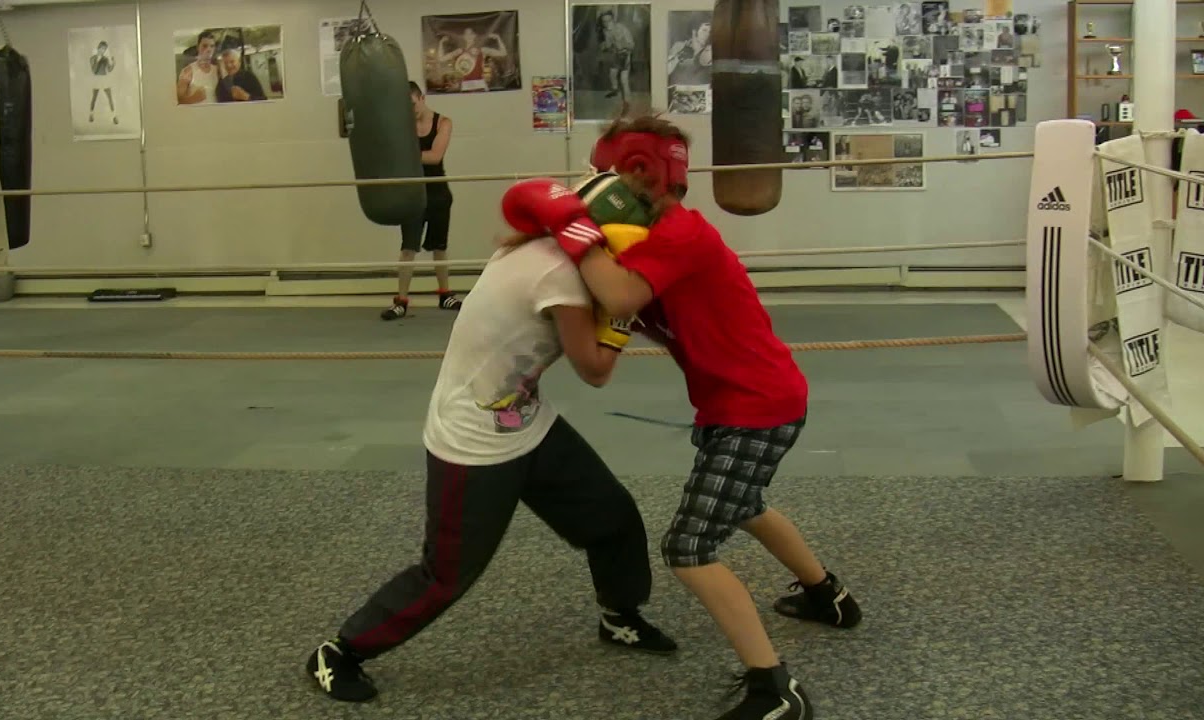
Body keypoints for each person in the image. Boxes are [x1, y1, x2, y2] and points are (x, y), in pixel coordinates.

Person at [497, 114, 862, 720]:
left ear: (637, 173)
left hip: (757, 407)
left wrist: (569, 223)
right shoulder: (642, 240)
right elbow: (600, 326)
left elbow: (619, 295)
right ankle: (830, 597)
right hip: (739, 402)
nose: (590, 186)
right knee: (745, 503)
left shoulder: (681, 234)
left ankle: (775, 690)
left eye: (599, 173)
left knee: (689, 546)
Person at [307, 199, 677, 703]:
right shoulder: (560, 278)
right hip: (473, 439)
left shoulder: (541, 248)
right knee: (446, 575)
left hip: (524, 420)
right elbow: (595, 369)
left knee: (613, 517)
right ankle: (339, 651)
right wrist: (622, 319)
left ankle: (619, 615)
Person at [382, 82, 463, 320]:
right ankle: (401, 301)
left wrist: (404, 156)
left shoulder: (443, 122)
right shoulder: (401, 127)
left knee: (440, 247)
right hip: (412, 193)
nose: (410, 110)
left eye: (412, 104)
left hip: (437, 192)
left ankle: (445, 294)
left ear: (422, 98)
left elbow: (435, 156)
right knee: (408, 248)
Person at [177, 30, 219, 105]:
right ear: (198, 47)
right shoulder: (188, 71)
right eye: (205, 46)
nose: (209, 49)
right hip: (196, 112)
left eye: (212, 46)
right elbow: (178, 101)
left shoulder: (217, 70)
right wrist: (193, 98)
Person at [87, 41, 118, 125]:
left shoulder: (105, 59)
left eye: (104, 49)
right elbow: (94, 70)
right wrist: (98, 59)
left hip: (104, 79)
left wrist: (113, 63)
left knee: (110, 98)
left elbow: (109, 69)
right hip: (96, 79)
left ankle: (114, 116)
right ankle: (91, 115)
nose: (102, 50)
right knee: (94, 98)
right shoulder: (93, 58)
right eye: (101, 48)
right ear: (98, 48)